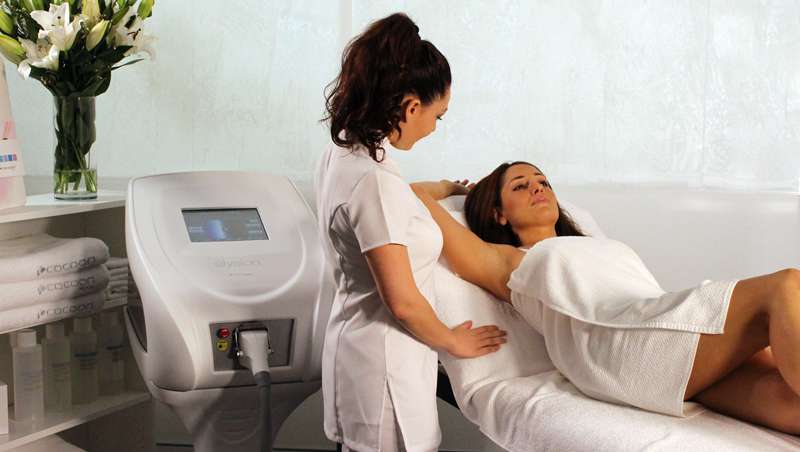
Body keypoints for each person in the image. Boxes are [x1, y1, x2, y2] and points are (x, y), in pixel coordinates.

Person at [411, 161, 800, 435]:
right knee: (785, 285)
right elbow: (415, 195)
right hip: (619, 346)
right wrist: (452, 188)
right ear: (498, 214)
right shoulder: (510, 261)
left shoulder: (592, 244)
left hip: (654, 336)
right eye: (520, 186)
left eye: (542, 181)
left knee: (789, 403)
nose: (538, 188)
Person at [316, 13, 507, 452]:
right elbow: (402, 301)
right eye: (439, 115)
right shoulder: (374, 182)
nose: (435, 127)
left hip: (356, 350)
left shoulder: (344, 149)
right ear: (411, 107)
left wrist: (446, 188)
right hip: (385, 372)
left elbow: (392, 203)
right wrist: (454, 341)